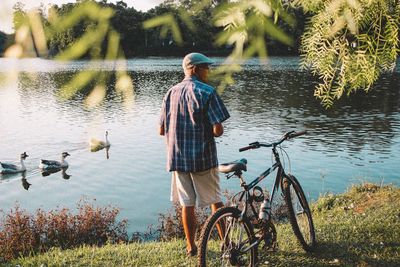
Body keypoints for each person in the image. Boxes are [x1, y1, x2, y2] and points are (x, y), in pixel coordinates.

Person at [159, 52, 230, 257]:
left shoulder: (170, 92)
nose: (209, 71)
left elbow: (161, 130)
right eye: (206, 67)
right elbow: (218, 130)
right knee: (216, 201)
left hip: (178, 159)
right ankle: (226, 242)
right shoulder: (207, 92)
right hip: (203, 159)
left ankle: (191, 247)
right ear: (195, 69)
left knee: (186, 204)